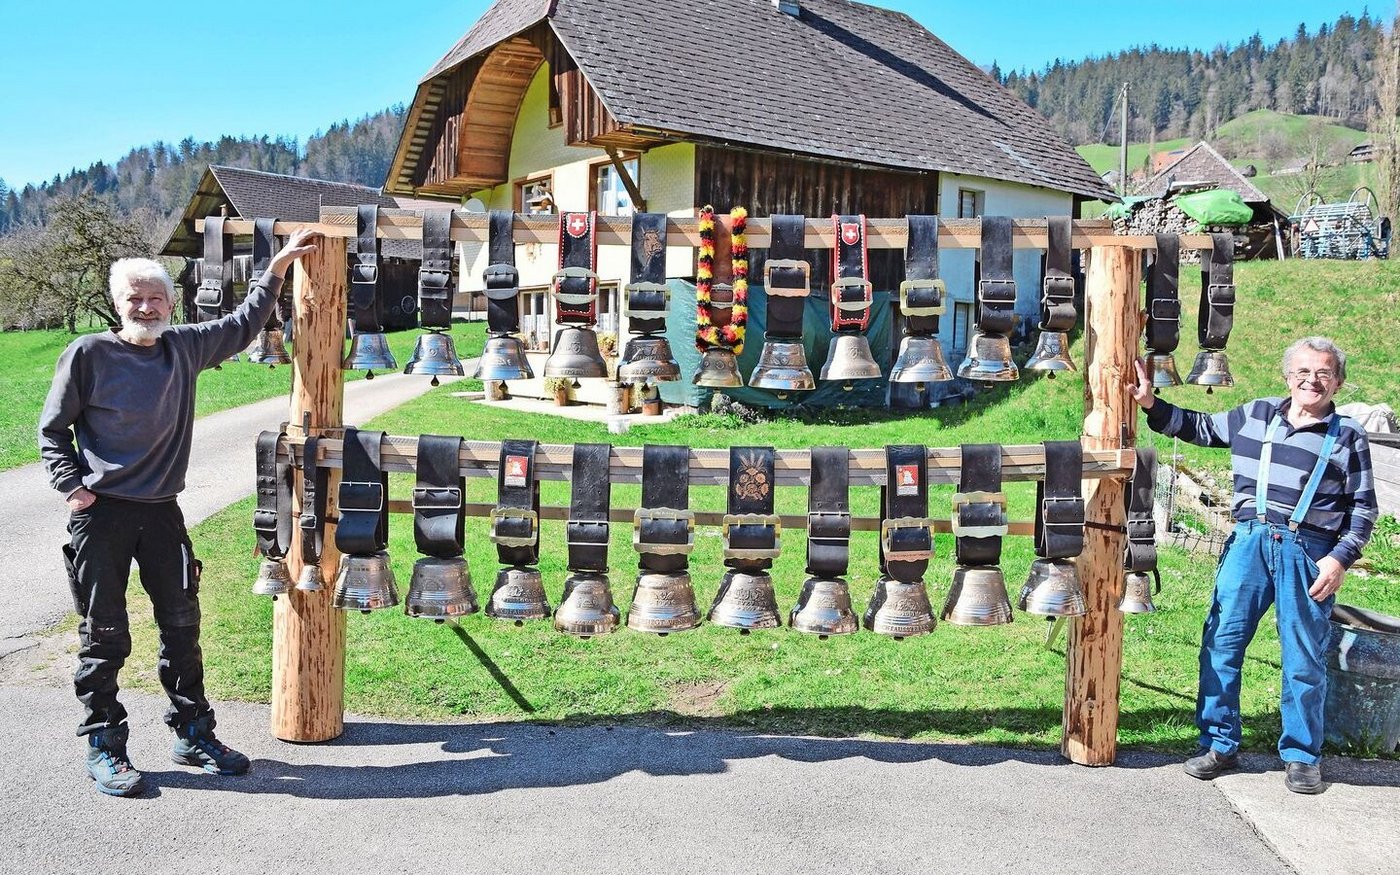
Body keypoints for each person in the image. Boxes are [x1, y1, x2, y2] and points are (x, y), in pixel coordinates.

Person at [39, 228, 322, 797]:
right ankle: (104, 745)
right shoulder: (89, 354)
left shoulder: (183, 347)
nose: (145, 308)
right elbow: (52, 430)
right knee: (104, 634)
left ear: (171, 304)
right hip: (102, 517)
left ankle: (193, 734)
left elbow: (243, 324)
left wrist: (277, 268)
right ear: (117, 303)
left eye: (156, 298)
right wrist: (74, 488)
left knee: (181, 626)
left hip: (163, 514)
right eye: (134, 299)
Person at [1131, 337, 1376, 794]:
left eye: (1323, 373)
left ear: (1338, 382)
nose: (1312, 380)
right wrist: (1150, 402)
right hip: (1249, 543)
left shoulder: (1347, 434)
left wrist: (1339, 560)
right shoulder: (1256, 414)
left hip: (1309, 552)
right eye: (1303, 371)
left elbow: (1363, 509)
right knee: (1221, 643)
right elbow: (1199, 427)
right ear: (1287, 376)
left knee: (1303, 656)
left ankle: (1302, 756)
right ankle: (1219, 743)